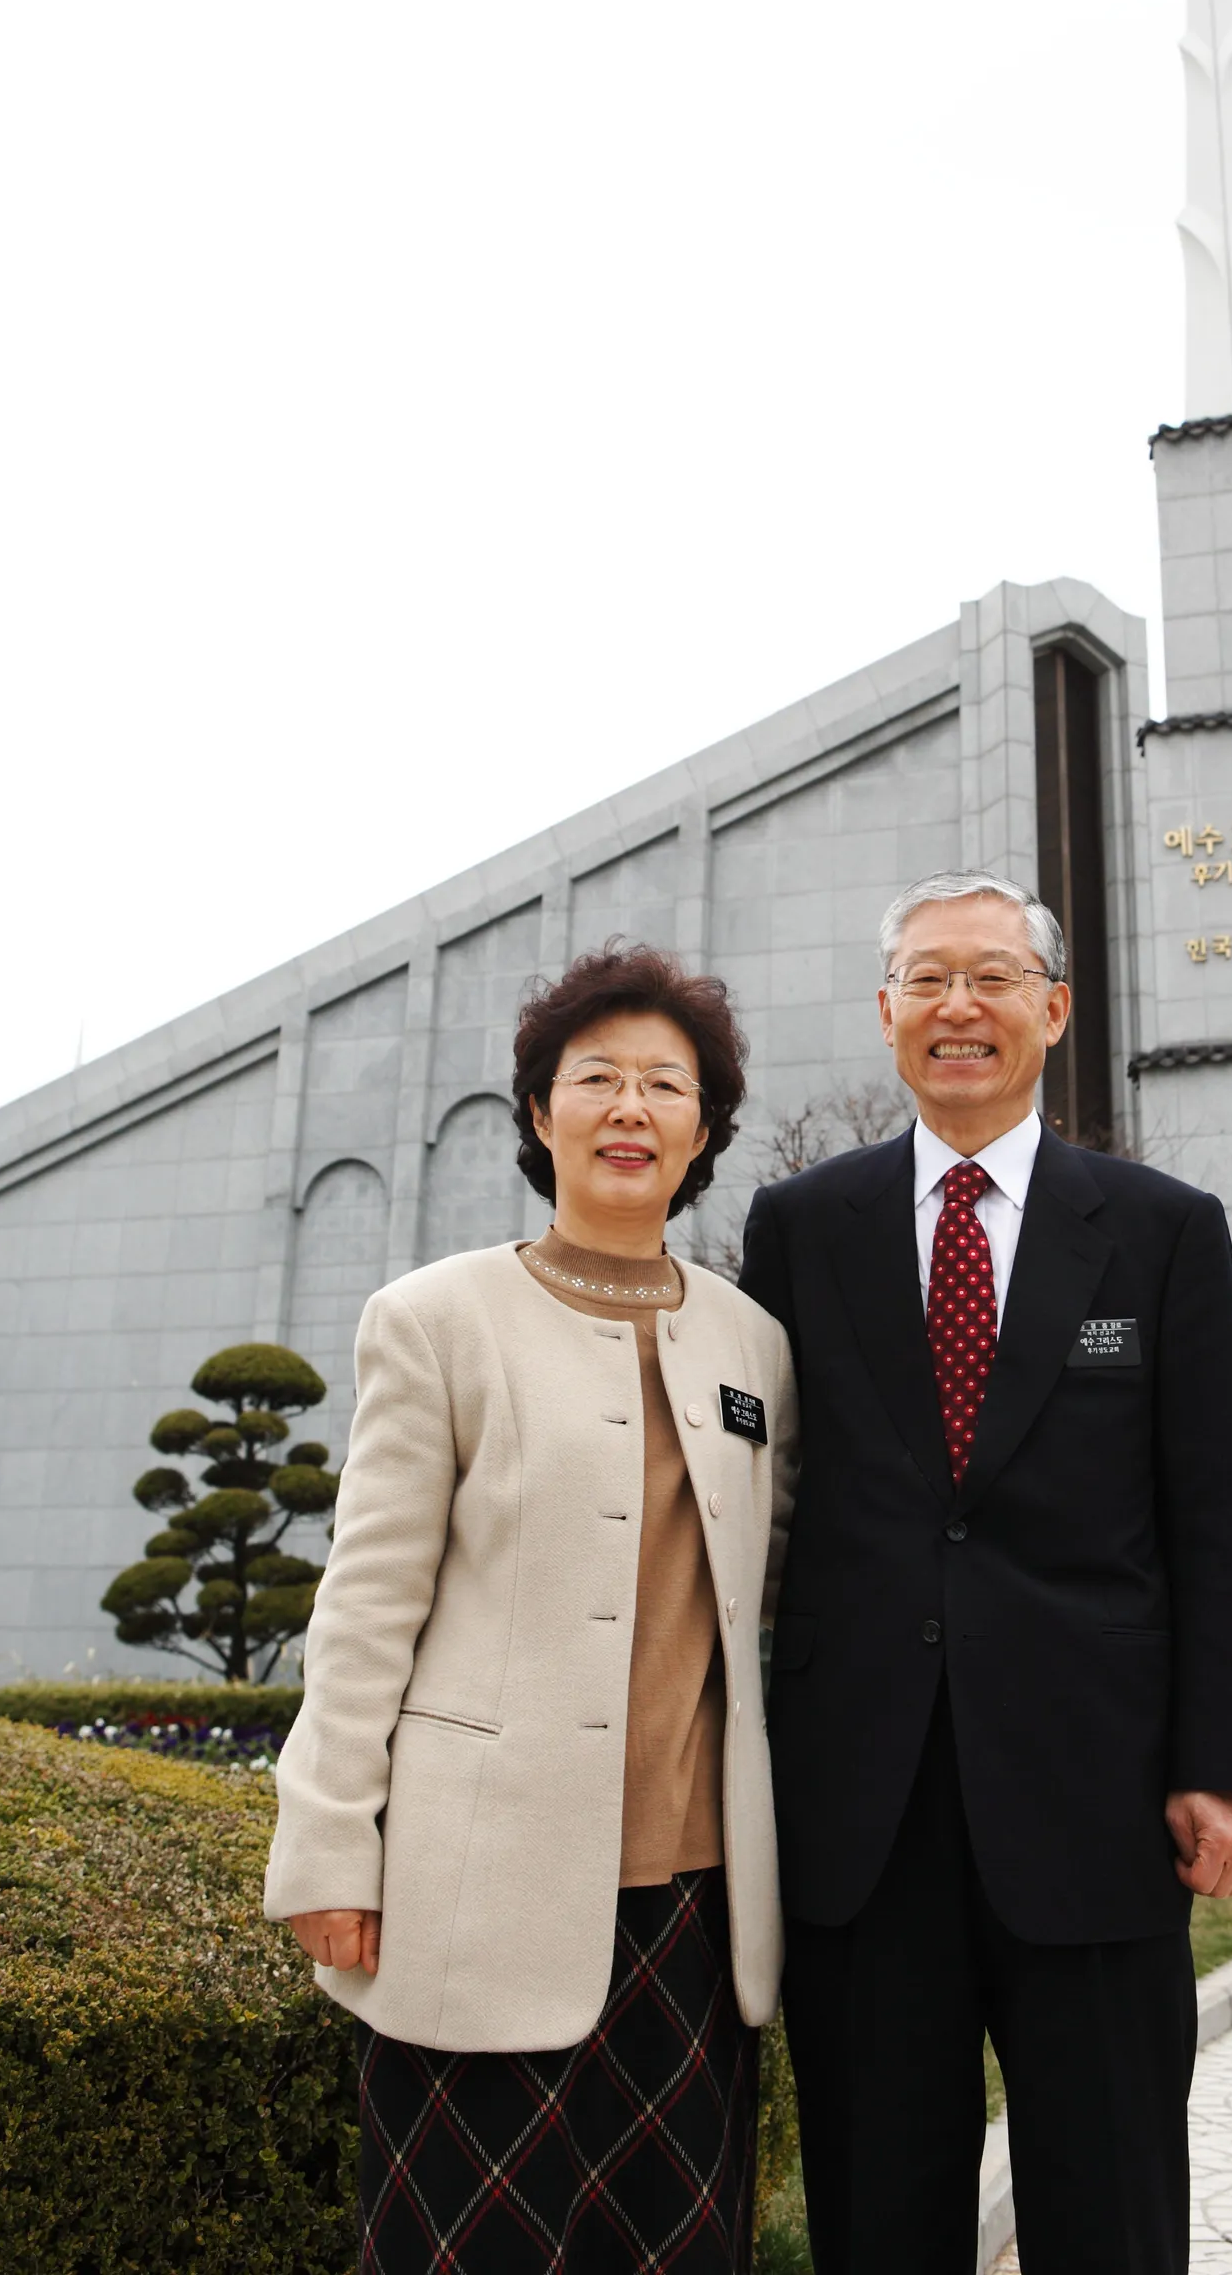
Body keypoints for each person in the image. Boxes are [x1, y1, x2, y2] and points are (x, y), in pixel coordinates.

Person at [738, 871, 1232, 2275]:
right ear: (884, 1012)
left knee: (1110, 2211)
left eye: (990, 977)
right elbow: (773, 1500)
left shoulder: (1162, 1231)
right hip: (864, 1811)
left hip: (1095, 1808)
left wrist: (1223, 1763)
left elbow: (1218, 1511)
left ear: (1053, 1008)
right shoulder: (802, 1229)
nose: (957, 1006)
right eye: (927, 979)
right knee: (879, 2215)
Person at [265, 943, 798, 2275]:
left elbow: (771, 1591)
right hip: (481, 1892)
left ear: (705, 1131)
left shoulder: (754, 1344)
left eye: (665, 1086)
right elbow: (368, 1604)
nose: (631, 1108)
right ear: (540, 1113)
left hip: (697, 1910)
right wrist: (330, 1845)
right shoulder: (437, 1319)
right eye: (598, 1079)